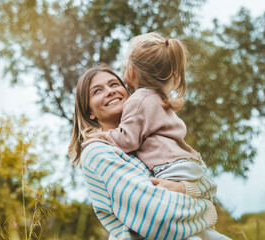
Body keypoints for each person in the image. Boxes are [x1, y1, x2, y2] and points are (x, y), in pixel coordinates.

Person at [68, 63, 221, 239]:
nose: (110, 91)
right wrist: (207, 208)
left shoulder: (151, 140)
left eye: (114, 84)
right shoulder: (97, 152)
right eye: (97, 91)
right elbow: (160, 216)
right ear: (89, 113)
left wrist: (181, 187)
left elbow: (209, 185)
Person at [101, 32, 229, 239]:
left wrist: (101, 136)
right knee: (191, 226)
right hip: (186, 165)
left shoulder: (138, 100)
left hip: (169, 169)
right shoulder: (160, 99)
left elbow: (127, 140)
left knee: (173, 224)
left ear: (131, 71)